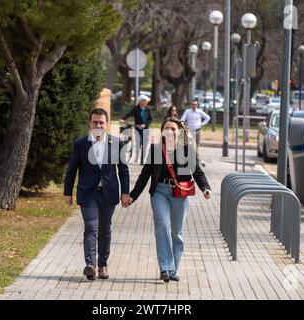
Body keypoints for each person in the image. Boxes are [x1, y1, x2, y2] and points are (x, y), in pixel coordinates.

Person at [128, 117, 212, 282]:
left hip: (180, 194)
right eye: (166, 128)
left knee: (177, 232)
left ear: (179, 131)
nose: (170, 131)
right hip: (160, 191)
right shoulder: (155, 150)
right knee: (162, 225)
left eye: (173, 128)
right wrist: (132, 196)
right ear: (162, 131)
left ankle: (175, 269)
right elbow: (145, 175)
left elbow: (197, 172)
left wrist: (205, 188)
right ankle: (165, 267)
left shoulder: (187, 150)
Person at [64, 108, 131, 281]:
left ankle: (102, 265)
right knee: (91, 227)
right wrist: (67, 192)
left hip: (109, 193)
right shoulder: (81, 144)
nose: (98, 125)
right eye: (95, 122)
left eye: (101, 122)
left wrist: (125, 192)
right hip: (88, 194)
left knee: (105, 229)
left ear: (107, 124)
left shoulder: (117, 143)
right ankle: (90, 265)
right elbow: (71, 170)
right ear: (90, 124)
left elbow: (123, 170)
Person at [120, 95, 153, 164]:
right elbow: (128, 114)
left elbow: (150, 119)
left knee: (145, 145)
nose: (145, 102)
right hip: (137, 129)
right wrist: (123, 118)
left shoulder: (148, 109)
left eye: (146, 101)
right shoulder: (136, 109)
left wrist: (145, 124)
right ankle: (137, 158)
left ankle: (142, 160)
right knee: (138, 144)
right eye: (144, 101)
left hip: (146, 129)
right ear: (140, 102)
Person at [180, 99, 210, 167]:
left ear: (197, 105)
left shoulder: (199, 111)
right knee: (192, 146)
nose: (194, 106)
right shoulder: (188, 111)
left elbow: (208, 117)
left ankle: (195, 159)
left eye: (195, 104)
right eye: (193, 104)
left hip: (198, 130)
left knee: (196, 146)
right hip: (190, 131)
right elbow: (182, 120)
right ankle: (199, 160)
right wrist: (184, 126)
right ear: (191, 105)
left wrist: (202, 124)